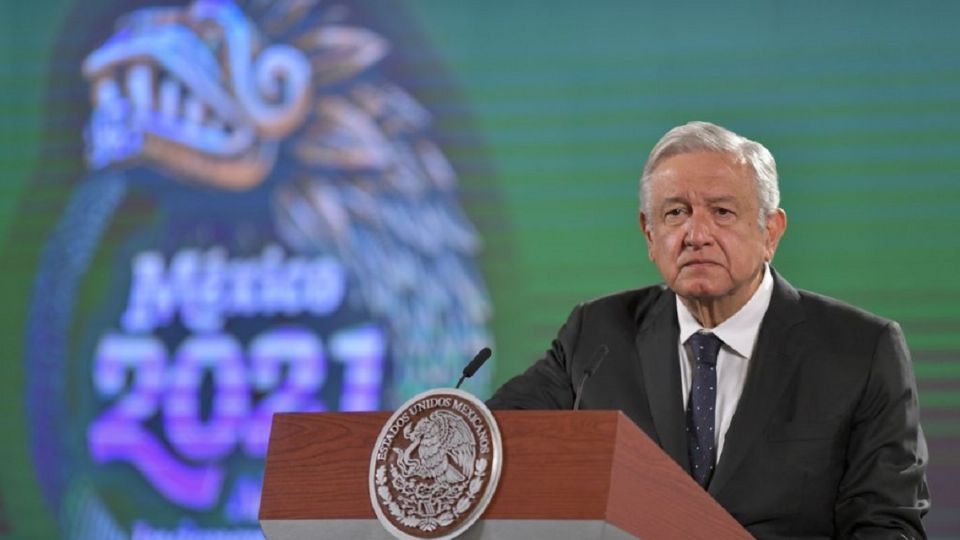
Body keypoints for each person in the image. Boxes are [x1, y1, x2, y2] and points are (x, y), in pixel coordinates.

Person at [487, 121, 929, 538]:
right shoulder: (597, 336)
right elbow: (491, 441)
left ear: (770, 231)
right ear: (648, 233)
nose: (696, 234)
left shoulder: (861, 352)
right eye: (675, 213)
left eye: (722, 212)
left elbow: (889, 525)